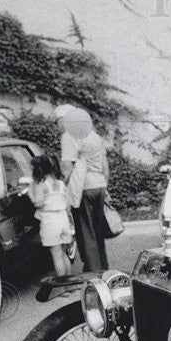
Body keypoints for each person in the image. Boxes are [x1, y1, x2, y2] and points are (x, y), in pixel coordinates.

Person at [55, 104, 110, 271]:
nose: (57, 126)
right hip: (99, 186)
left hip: (83, 189)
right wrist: (105, 188)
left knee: (86, 232)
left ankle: (94, 274)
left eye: (57, 121)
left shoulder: (69, 135)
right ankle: (103, 268)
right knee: (97, 231)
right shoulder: (94, 136)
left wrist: (60, 186)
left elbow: (67, 167)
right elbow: (105, 166)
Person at [27, 154, 74, 278]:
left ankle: (63, 288)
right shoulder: (60, 183)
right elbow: (68, 206)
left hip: (50, 220)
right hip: (63, 218)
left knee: (56, 256)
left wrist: (30, 192)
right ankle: (70, 286)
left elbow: (38, 202)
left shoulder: (41, 184)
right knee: (64, 254)